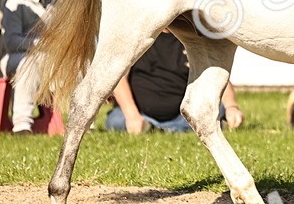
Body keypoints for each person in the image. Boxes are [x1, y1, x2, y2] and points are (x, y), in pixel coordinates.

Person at [105, 30, 245, 133]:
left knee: (218, 110)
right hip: (141, 115)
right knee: (115, 121)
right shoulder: (138, 36)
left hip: (183, 117)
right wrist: (132, 116)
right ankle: (160, 128)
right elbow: (119, 78)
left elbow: (215, 74)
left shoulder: (193, 37)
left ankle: (161, 129)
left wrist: (232, 107)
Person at [0, 0, 63, 134]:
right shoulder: (14, 3)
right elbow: (11, 42)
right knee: (29, 64)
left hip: (48, 60)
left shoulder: (56, 6)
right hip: (17, 59)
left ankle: (85, 123)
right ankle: (22, 125)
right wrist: (41, 45)